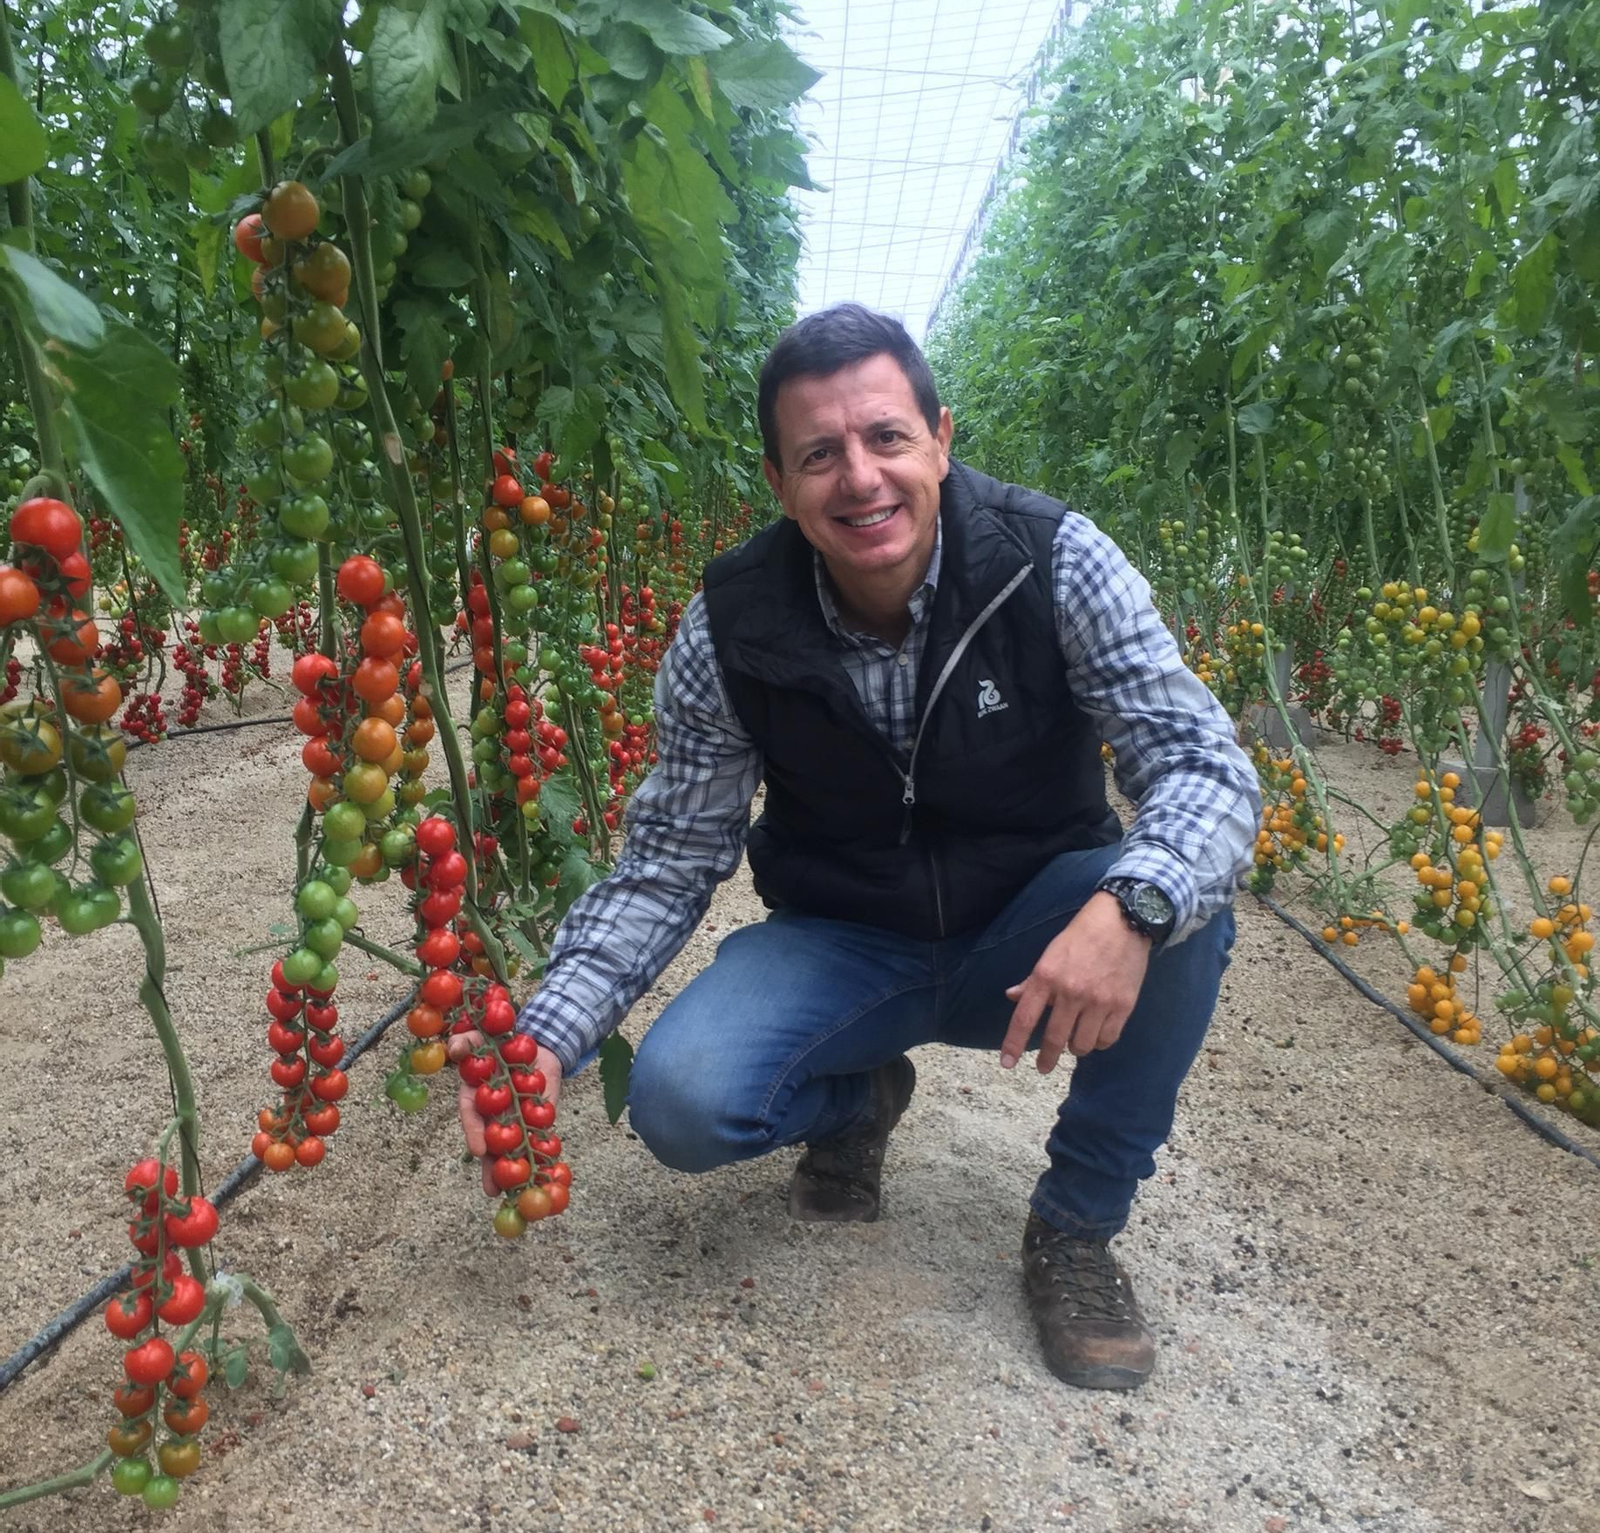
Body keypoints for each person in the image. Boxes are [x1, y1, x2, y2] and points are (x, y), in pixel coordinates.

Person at [459, 305, 1260, 1392]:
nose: (860, 478)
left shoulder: (1050, 560)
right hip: (845, 942)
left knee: (1180, 910)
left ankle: (1075, 1227)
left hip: (1030, 934)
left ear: (940, 436)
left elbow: (1204, 770)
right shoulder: (731, 626)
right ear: (780, 483)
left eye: (885, 438)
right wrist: (548, 1033)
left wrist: (1128, 910)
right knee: (681, 1102)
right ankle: (857, 1098)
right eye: (819, 454)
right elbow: (668, 856)